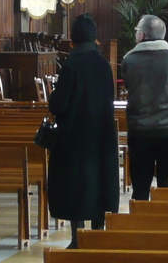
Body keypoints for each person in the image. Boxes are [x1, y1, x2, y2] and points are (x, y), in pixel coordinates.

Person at [47, 14, 119, 248]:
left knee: (75, 186)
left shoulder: (71, 65)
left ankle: (78, 237)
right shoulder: (104, 66)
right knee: (100, 182)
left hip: (75, 138)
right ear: (96, 40)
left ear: (72, 41)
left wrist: (52, 96)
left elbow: (59, 105)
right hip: (101, 137)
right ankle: (98, 232)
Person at [120, 14, 168, 202]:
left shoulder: (129, 61)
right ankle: (164, 225)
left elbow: (129, 86)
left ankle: (140, 224)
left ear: (142, 35)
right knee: (167, 188)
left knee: (140, 188)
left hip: (139, 131)